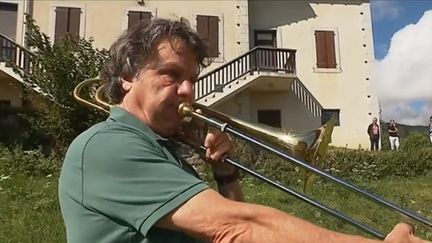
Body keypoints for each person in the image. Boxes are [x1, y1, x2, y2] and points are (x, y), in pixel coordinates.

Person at [59, 18, 429, 243]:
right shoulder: (108, 147)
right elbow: (237, 229)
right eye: (171, 74)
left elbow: (227, 221)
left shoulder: (161, 147)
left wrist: (225, 172)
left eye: (192, 79)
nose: (188, 90)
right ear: (127, 77)